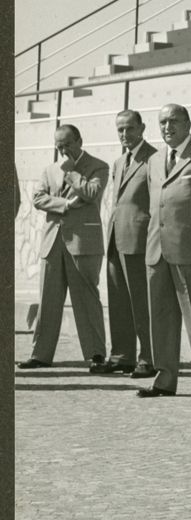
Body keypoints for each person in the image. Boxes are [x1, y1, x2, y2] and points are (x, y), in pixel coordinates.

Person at [136, 105, 191, 400]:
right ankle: (164, 377)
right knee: (160, 317)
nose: (167, 126)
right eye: (162, 121)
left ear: (189, 123)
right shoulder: (154, 160)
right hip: (157, 249)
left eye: (174, 120)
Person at [20, 125, 109, 370]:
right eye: (58, 145)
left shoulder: (98, 166)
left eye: (67, 144)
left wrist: (72, 173)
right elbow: (38, 198)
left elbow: (91, 192)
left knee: (86, 299)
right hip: (52, 243)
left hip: (83, 243)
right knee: (48, 299)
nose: (63, 150)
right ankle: (40, 354)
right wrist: (65, 205)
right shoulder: (49, 169)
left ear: (80, 141)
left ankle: (96, 354)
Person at [91, 111, 157, 377]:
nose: (124, 135)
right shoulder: (119, 162)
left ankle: (149, 358)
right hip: (116, 239)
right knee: (118, 302)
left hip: (140, 241)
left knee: (142, 303)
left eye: (130, 129)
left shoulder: (154, 159)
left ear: (142, 128)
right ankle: (122, 356)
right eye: (120, 130)